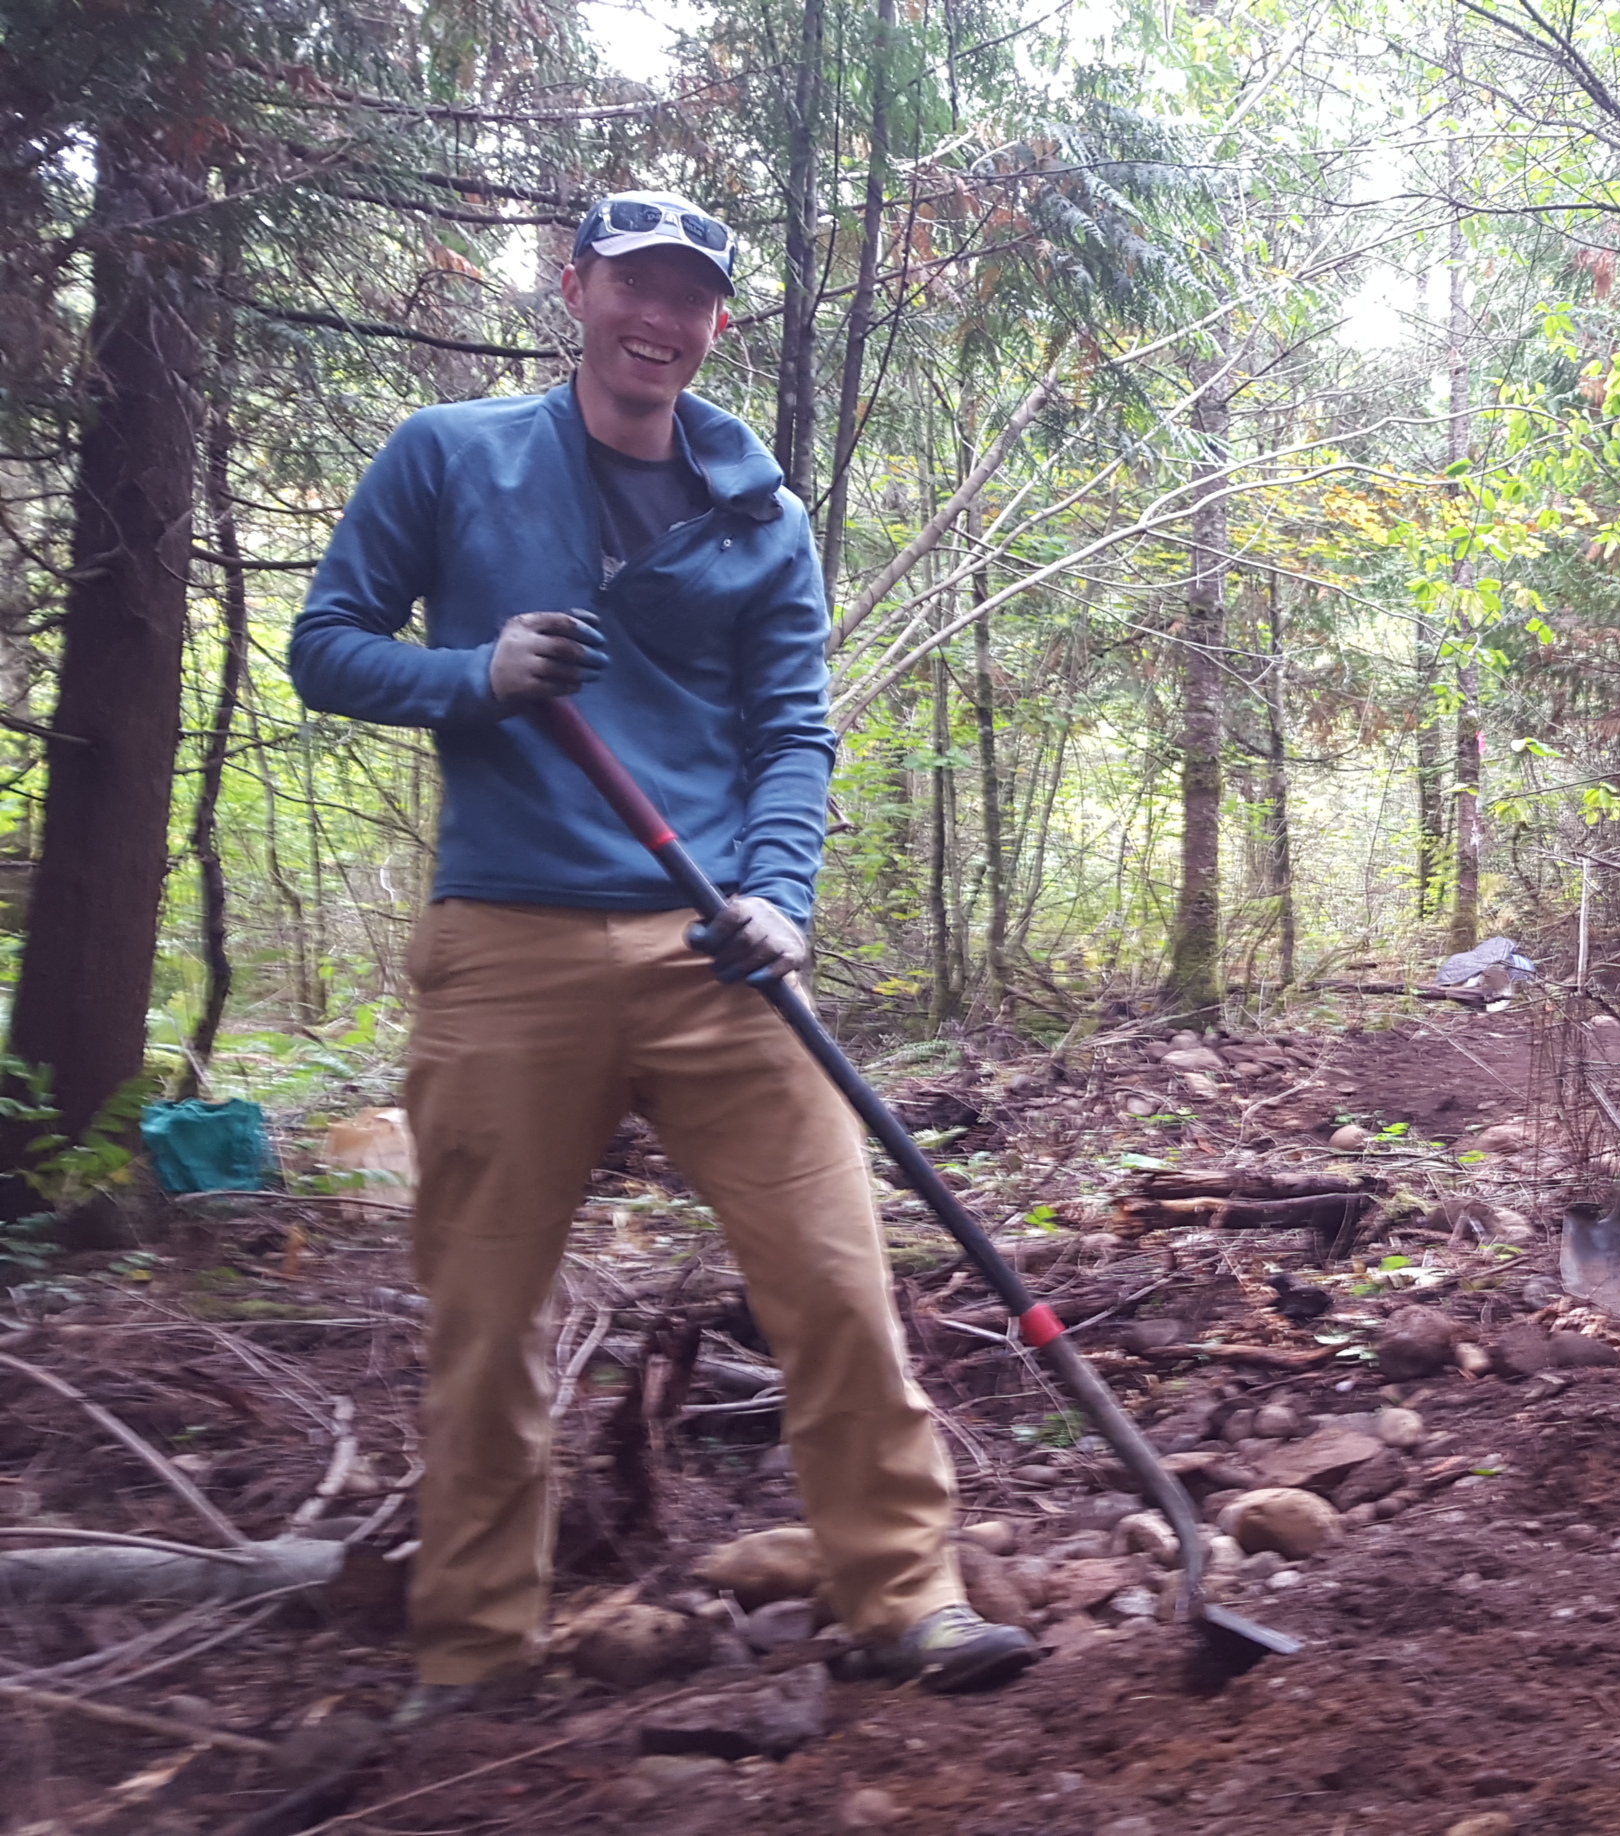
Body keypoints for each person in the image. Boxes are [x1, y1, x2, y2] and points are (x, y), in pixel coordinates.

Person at [291, 190, 1035, 1721]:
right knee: (484, 1319)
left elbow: (790, 730)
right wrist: (472, 673)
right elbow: (324, 646)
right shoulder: (451, 454)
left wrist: (781, 893)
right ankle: (476, 1648)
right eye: (635, 285)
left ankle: (909, 1599)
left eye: (691, 298)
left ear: (717, 323)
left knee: (835, 1282)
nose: (662, 319)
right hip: (507, 939)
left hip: (720, 947)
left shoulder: (758, 509)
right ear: (574, 288)